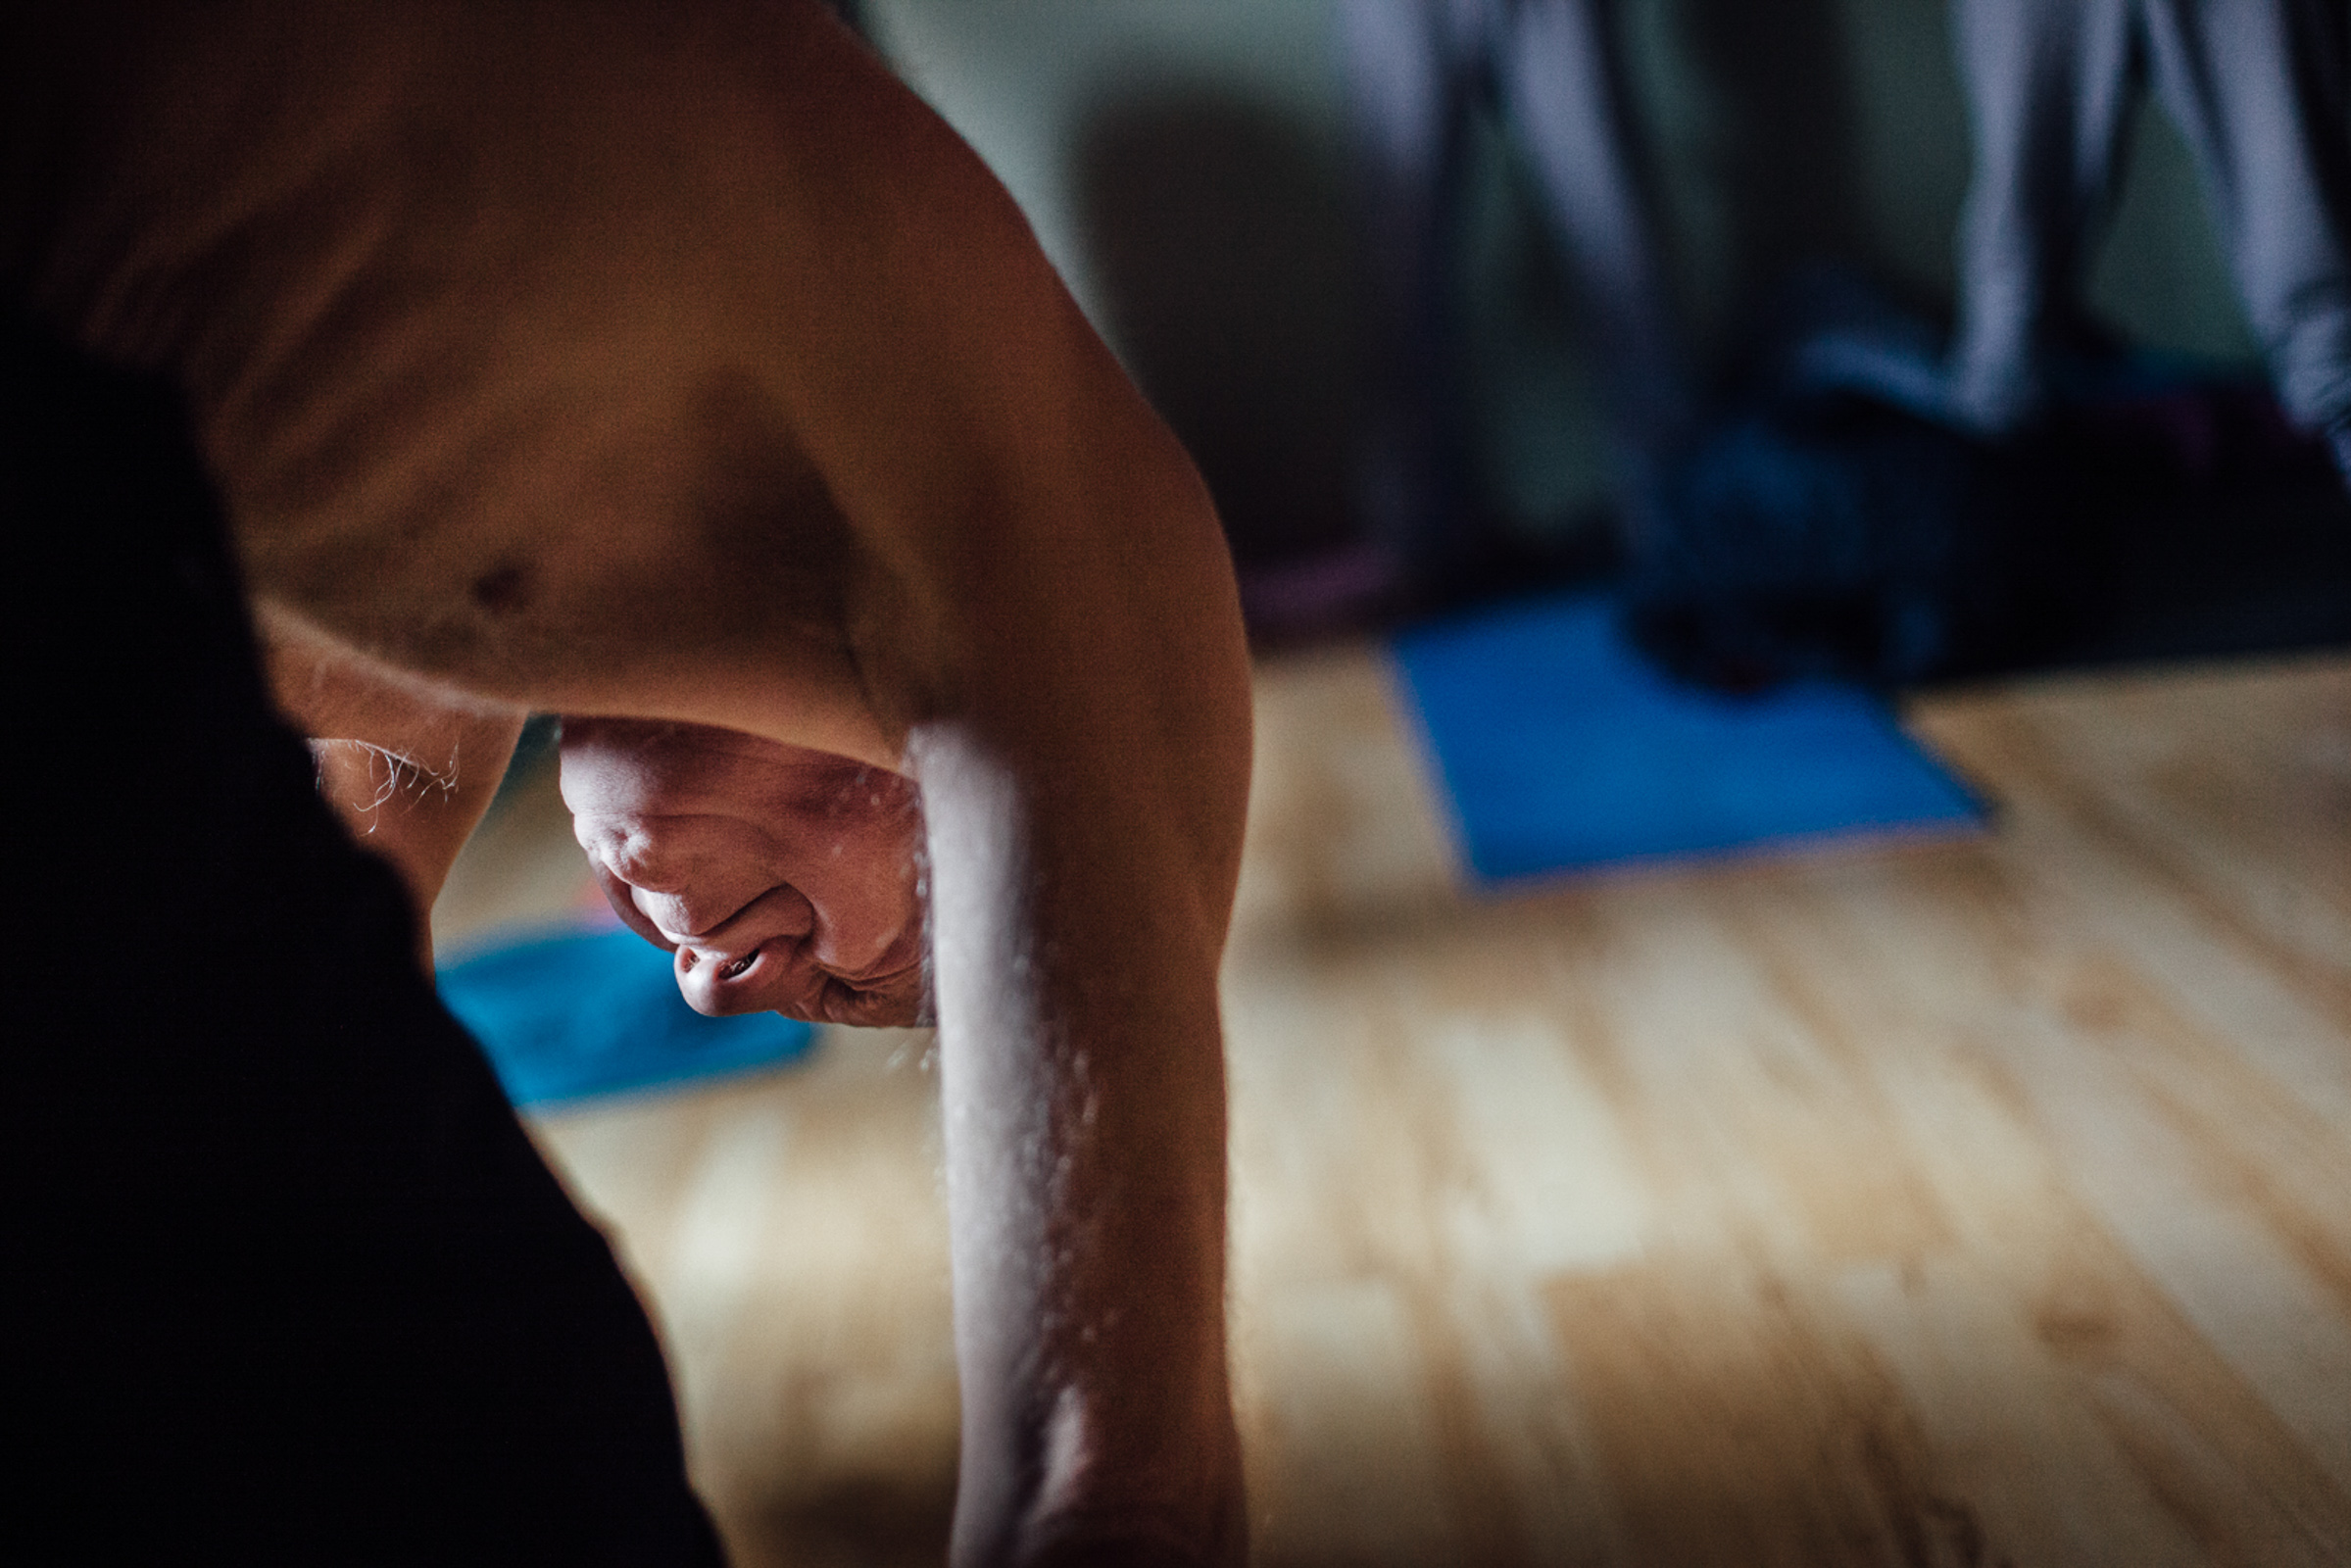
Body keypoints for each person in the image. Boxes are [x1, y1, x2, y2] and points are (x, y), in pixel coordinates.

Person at [3, 3, 1250, 1563]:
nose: (721, 994)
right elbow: (1116, 1485)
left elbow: (263, 1120)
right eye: (866, 984)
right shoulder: (1088, 567)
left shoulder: (468, 611)